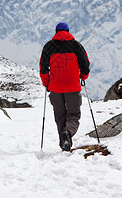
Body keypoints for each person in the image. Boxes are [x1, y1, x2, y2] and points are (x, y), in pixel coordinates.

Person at [39, 22, 90, 151]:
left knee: (60, 116)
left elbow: (43, 68)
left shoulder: (48, 46)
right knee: (73, 114)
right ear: (68, 31)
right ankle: (68, 133)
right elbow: (85, 64)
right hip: (72, 87)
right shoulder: (76, 45)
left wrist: (47, 83)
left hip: (55, 88)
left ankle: (64, 144)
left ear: (56, 31)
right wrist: (83, 76)